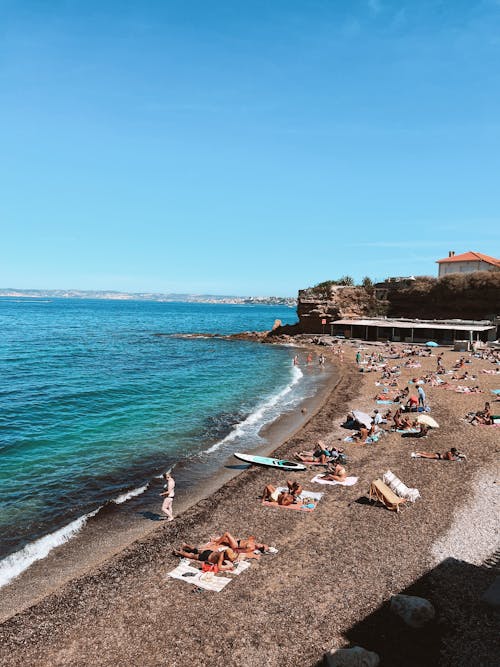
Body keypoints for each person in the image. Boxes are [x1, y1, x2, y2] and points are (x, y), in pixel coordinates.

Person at [172, 545, 237, 571]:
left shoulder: (224, 551)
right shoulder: (221, 557)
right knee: (192, 556)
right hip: (207, 557)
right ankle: (179, 552)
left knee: (197, 550)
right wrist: (228, 568)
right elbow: (219, 567)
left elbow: (231, 557)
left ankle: (185, 545)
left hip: (209, 552)